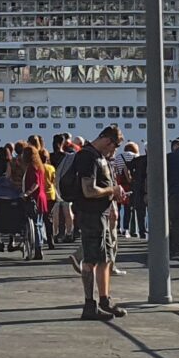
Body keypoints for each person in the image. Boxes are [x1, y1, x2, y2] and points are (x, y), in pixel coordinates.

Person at [60, 127, 125, 320]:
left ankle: (105, 300)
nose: (114, 150)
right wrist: (112, 190)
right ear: (107, 141)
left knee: (105, 258)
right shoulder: (88, 157)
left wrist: (112, 196)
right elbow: (88, 191)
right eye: (115, 146)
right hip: (90, 214)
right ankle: (89, 305)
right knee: (90, 260)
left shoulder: (99, 156)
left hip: (100, 214)